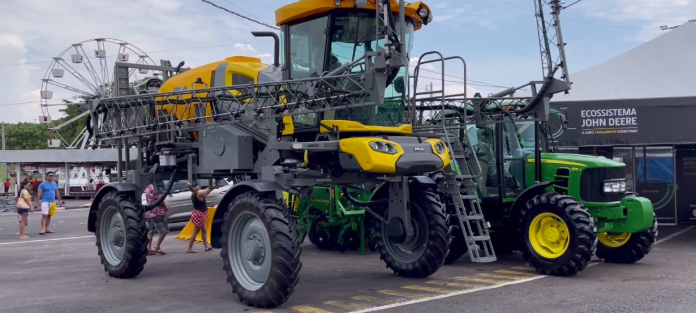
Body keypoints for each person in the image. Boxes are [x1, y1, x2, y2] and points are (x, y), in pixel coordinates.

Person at [186, 181, 215, 253]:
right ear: (193, 188)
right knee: (196, 231)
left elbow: (207, 189)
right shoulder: (198, 194)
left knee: (204, 230)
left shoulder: (195, 193)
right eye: (196, 186)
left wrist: (212, 183)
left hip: (199, 214)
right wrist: (213, 183)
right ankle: (189, 248)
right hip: (199, 214)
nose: (198, 186)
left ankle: (206, 247)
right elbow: (209, 190)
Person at [144, 184, 170, 255]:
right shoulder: (156, 186)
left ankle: (149, 248)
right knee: (164, 230)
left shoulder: (148, 187)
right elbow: (161, 200)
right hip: (157, 212)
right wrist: (165, 208)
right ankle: (157, 246)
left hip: (149, 212)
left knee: (150, 231)